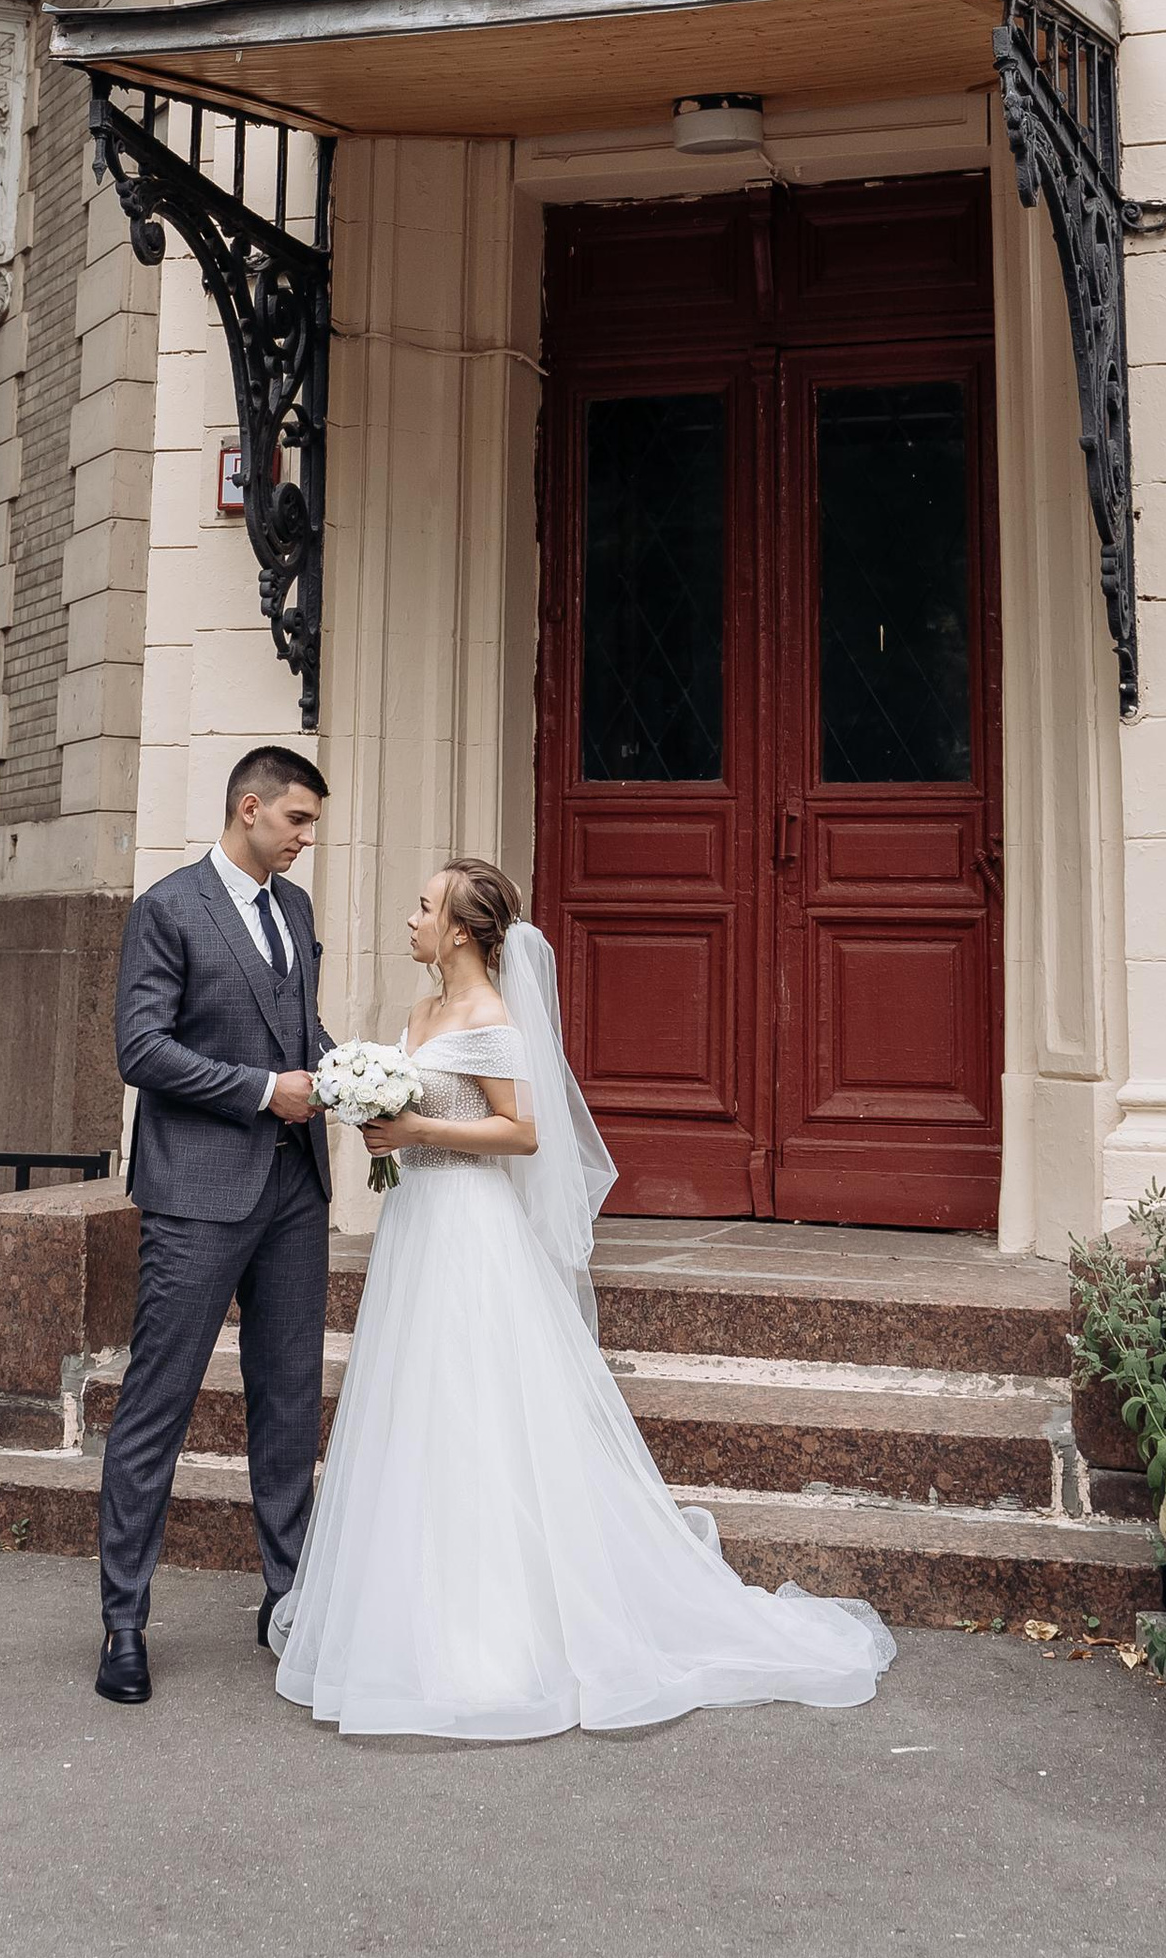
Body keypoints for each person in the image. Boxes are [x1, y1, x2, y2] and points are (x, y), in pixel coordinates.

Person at [270, 857, 895, 1741]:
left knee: (477, 1408)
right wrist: (383, 1127)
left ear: (460, 931)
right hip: (416, 1225)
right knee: (416, 1405)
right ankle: (408, 1615)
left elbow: (523, 1132)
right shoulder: (422, 1011)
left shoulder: (491, 1018)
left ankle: (493, 1635)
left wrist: (416, 1127)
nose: (410, 919)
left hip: (471, 1228)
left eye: (424, 907)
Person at [93, 744, 332, 1706]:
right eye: (298, 820)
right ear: (249, 808)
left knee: (289, 1401)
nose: (308, 839)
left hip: (296, 1193)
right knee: (159, 1401)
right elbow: (141, 1049)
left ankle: (289, 1600)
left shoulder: (296, 911)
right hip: (196, 1193)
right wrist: (263, 1090)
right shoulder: (168, 908)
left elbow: (300, 1035)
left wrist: (359, 1081)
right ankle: (124, 1623)